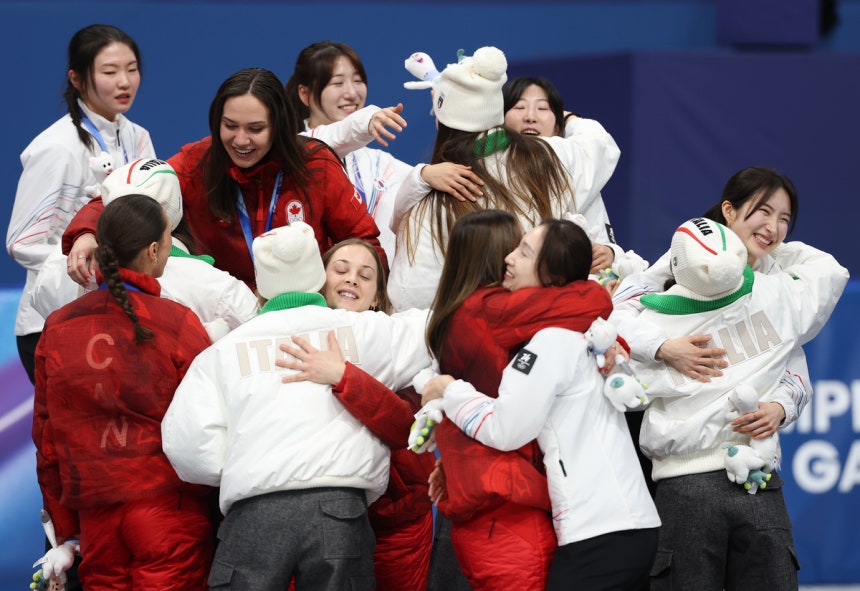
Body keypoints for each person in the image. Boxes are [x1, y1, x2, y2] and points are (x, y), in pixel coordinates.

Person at [161, 222, 433, 589]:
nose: (351, 280)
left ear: (259, 286)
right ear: (318, 277)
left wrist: (245, 463)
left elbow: (187, 445)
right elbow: (437, 325)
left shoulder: (223, 350)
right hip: (339, 510)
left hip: (253, 511)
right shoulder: (368, 332)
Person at [421, 218, 661, 591]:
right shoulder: (581, 332)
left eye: (523, 252)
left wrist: (449, 390)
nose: (509, 258)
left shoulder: (548, 342)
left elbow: (506, 429)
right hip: (623, 523)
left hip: (597, 531)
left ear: (550, 276)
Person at [622, 217, 848, 590]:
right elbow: (831, 271)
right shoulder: (777, 295)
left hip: (716, 483)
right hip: (721, 482)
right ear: (730, 217)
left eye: (783, 218)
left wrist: (781, 407)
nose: (772, 226)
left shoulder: (649, 320)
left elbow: (610, 343)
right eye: (763, 215)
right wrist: (767, 247)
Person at [32, 194, 216, 590]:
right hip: (169, 513)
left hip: (95, 519)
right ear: (154, 251)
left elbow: (47, 441)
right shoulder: (178, 322)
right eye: (168, 238)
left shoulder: (57, 326)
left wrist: (66, 531)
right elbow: (208, 422)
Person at [64, 67, 385, 292]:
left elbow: (364, 243)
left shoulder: (315, 164)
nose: (240, 140)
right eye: (230, 126)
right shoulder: (197, 163)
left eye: (255, 129)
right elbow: (126, 197)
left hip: (309, 311)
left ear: (279, 126)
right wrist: (87, 234)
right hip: (228, 316)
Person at [388, 46, 621, 311]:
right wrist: (569, 118)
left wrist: (421, 177)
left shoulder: (433, 196)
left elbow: (410, 297)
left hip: (467, 330)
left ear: (441, 123)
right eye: (520, 106)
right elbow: (600, 146)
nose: (530, 115)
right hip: (542, 321)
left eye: (542, 108)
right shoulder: (550, 156)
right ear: (500, 112)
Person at [273, 238, 436, 591]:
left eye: (365, 276)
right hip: (313, 514)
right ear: (319, 280)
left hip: (395, 515)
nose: (351, 280)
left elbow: (407, 428)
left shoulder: (400, 343)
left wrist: (343, 376)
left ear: (377, 297)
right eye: (341, 270)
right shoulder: (284, 338)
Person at [7, 24, 154, 384]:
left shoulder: (138, 137)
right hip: (52, 321)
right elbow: (22, 242)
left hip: (118, 310)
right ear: (77, 79)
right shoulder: (57, 148)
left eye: (132, 69)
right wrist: (87, 264)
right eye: (110, 72)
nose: (124, 82)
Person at [285, 40, 485, 260]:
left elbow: (433, 195)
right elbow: (327, 141)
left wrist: (452, 125)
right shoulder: (294, 151)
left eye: (358, 81)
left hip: (375, 278)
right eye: (338, 83)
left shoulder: (381, 164)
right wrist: (367, 119)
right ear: (305, 94)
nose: (351, 93)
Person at [30, 158, 259, 341]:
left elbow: (42, 294)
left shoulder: (68, 270)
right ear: (174, 211)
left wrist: (84, 233)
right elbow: (262, 336)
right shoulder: (216, 285)